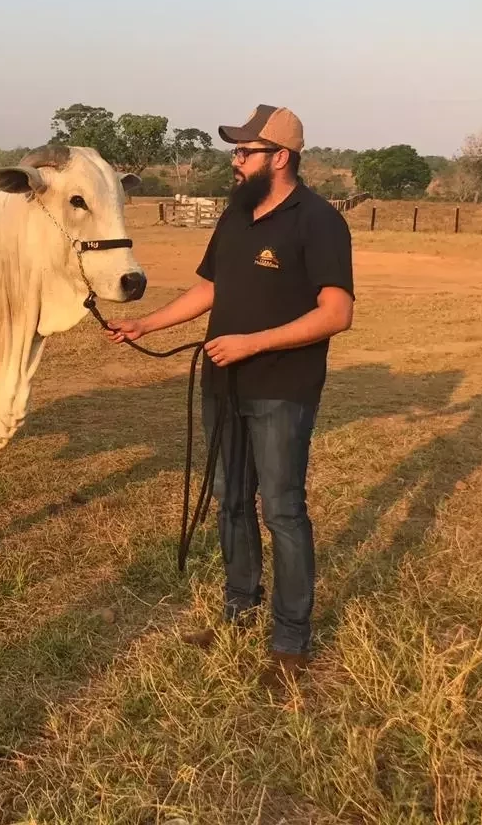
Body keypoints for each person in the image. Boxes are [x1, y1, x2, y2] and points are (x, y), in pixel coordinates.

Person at [104, 104, 354, 690]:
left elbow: (336, 313)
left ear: (281, 158)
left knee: (284, 511)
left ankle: (290, 640)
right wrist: (149, 325)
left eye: (245, 153)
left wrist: (252, 344)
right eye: (235, 152)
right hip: (224, 383)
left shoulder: (317, 221)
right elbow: (211, 288)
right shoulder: (236, 217)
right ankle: (239, 613)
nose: (235, 162)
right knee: (232, 502)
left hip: (281, 390)